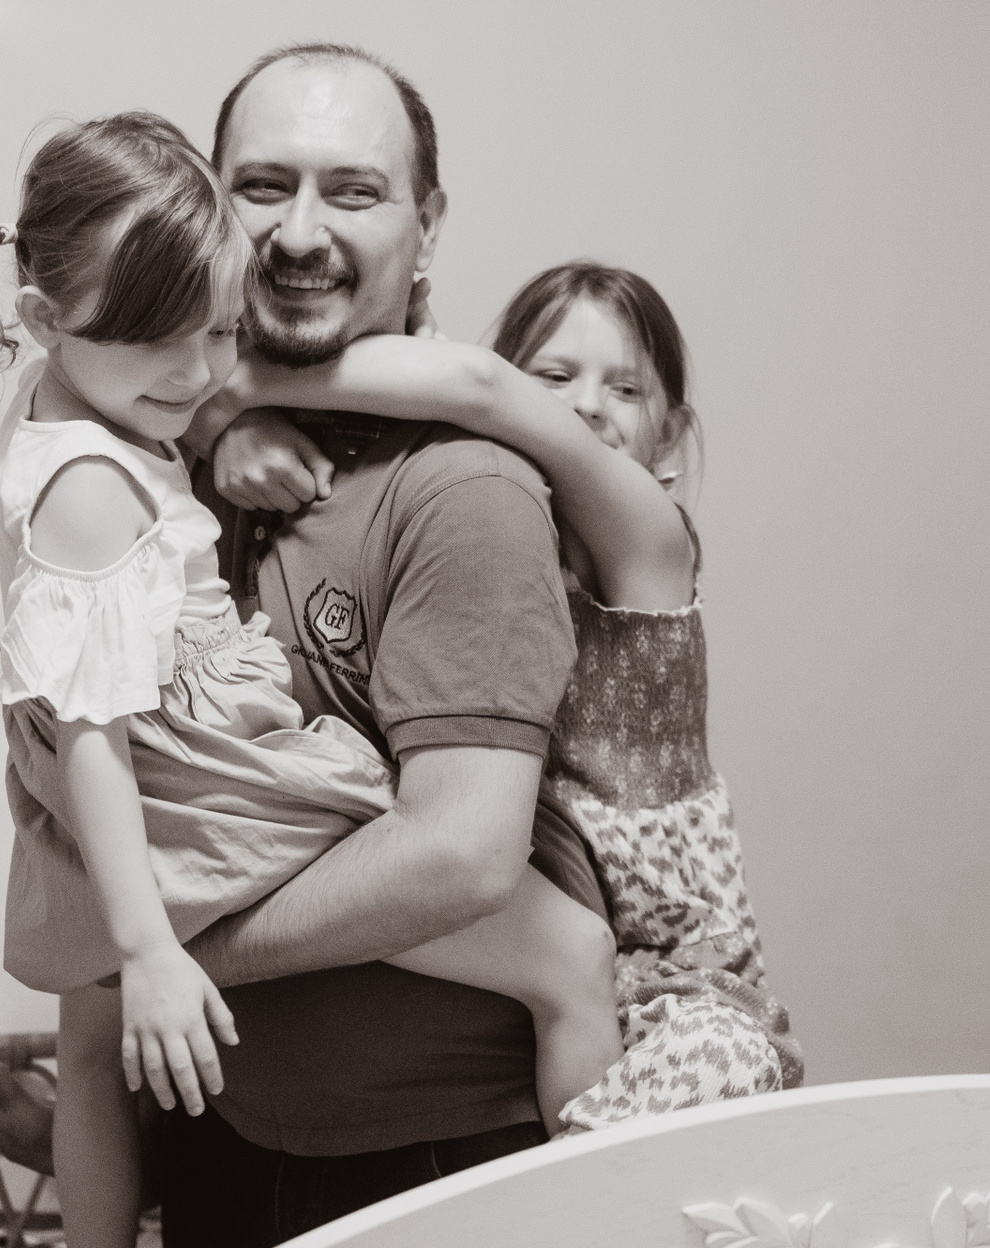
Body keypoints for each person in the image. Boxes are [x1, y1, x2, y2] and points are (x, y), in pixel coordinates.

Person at [0, 110, 619, 1248]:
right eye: (161, 345)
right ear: (47, 320)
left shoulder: (77, 395)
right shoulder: (93, 485)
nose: (200, 372)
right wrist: (149, 947)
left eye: (218, 333)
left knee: (88, 1034)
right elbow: (96, 728)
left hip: (152, 757)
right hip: (191, 766)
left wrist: (217, 420)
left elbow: (161, 378)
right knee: (575, 956)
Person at [207, 261, 804, 1131]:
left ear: (671, 432)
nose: (588, 405)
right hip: (552, 929)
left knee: (686, 1099)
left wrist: (232, 389)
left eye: (625, 388)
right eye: (554, 377)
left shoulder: (647, 540)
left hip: (673, 957)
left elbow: (475, 384)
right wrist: (241, 431)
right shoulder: (478, 513)